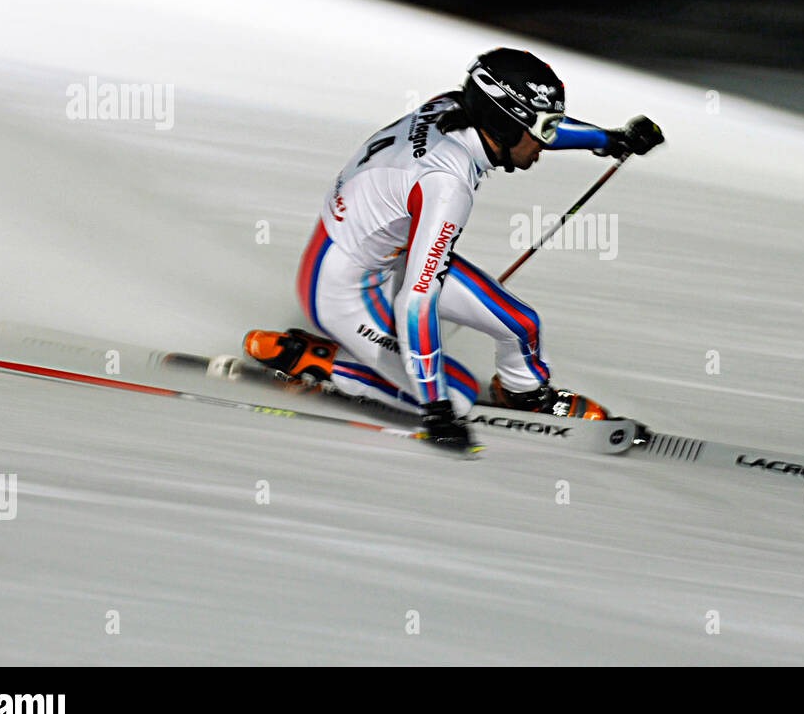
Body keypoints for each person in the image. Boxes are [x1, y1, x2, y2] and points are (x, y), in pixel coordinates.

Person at [244, 48, 663, 449]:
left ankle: (524, 396)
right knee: (456, 395)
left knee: (521, 324)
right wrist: (435, 406)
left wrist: (609, 139)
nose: (544, 144)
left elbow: (527, 123)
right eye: (543, 131)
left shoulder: (455, 106)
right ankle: (314, 360)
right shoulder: (447, 186)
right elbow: (416, 300)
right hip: (340, 288)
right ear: (505, 125)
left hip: (384, 254)